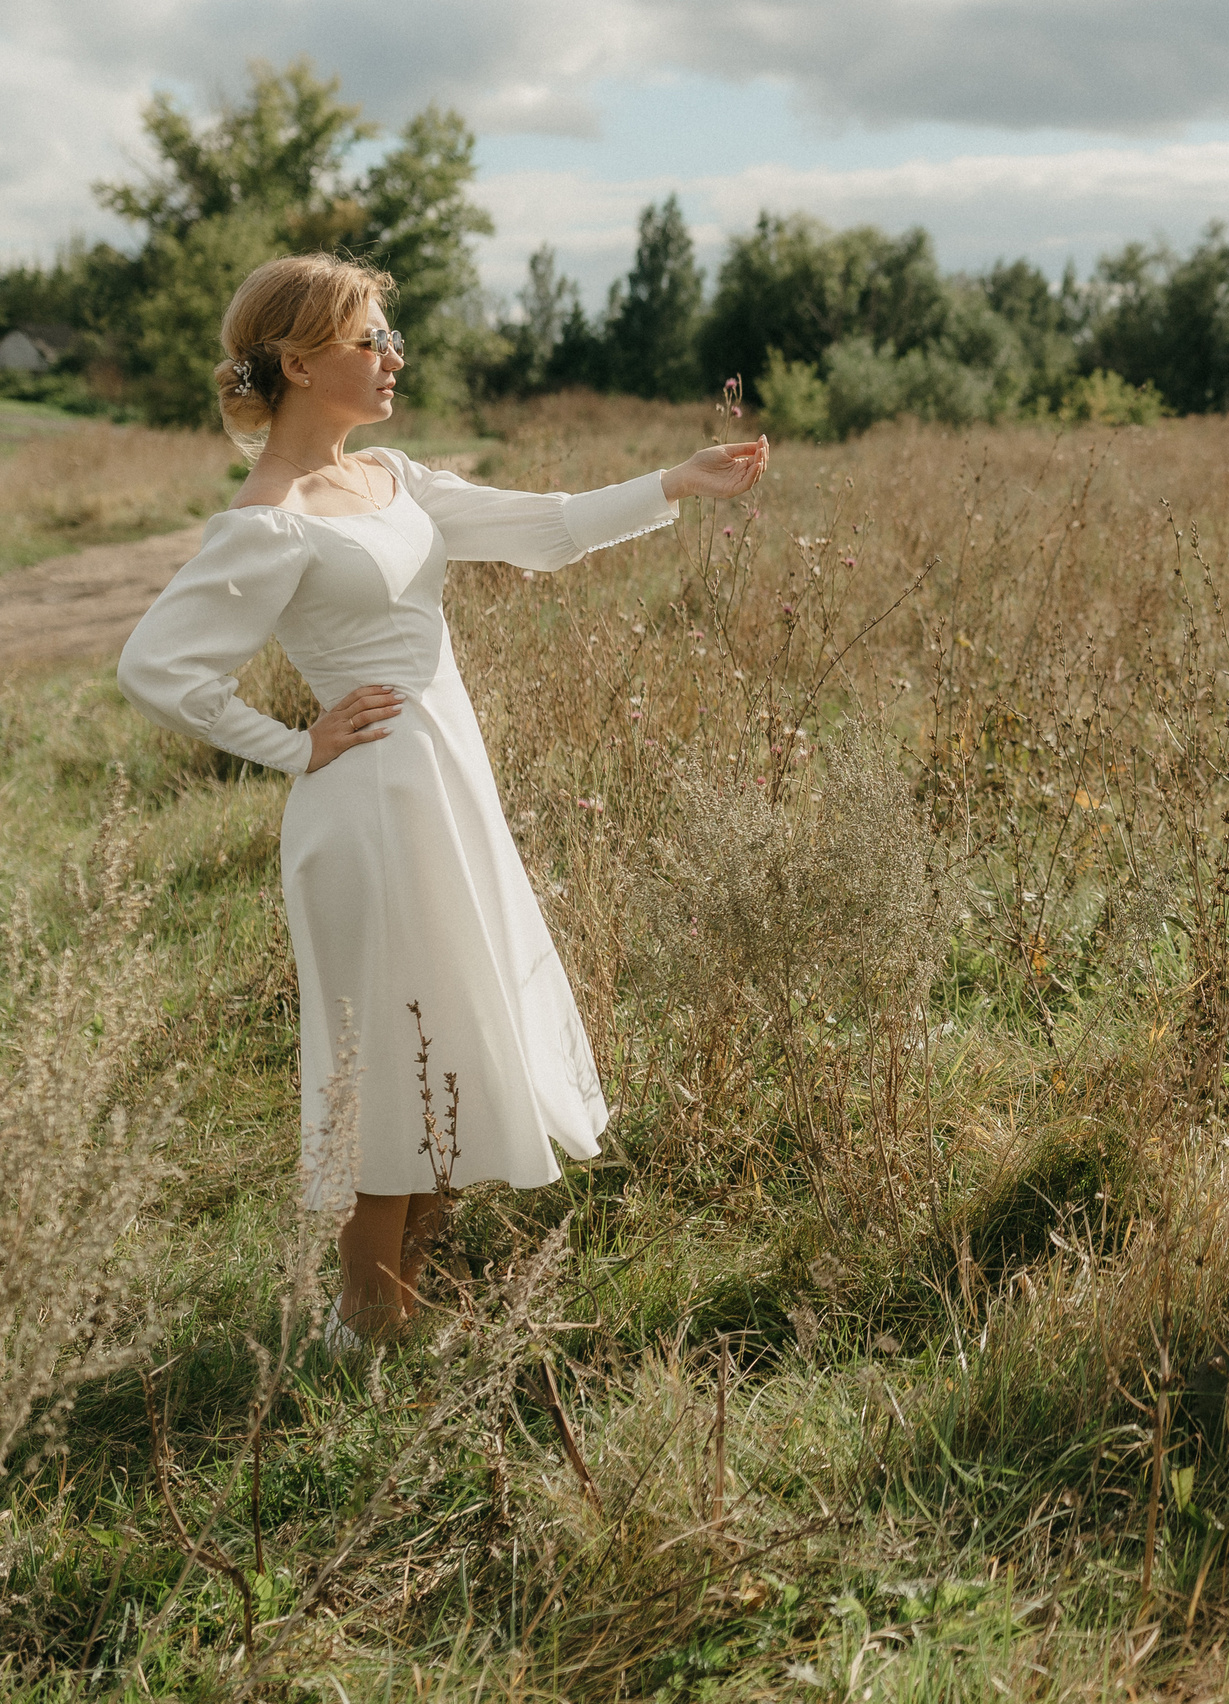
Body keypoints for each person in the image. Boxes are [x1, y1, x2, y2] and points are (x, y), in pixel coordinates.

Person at [117, 253, 768, 1349]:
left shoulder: (394, 481)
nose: (391, 359)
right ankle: (364, 1325)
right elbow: (157, 668)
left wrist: (674, 484)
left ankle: (399, 1315)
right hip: (365, 810)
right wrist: (290, 744)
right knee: (389, 1057)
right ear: (297, 360)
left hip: (444, 792)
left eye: (389, 338)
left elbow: (543, 527)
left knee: (452, 1039)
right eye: (370, 339)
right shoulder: (269, 519)